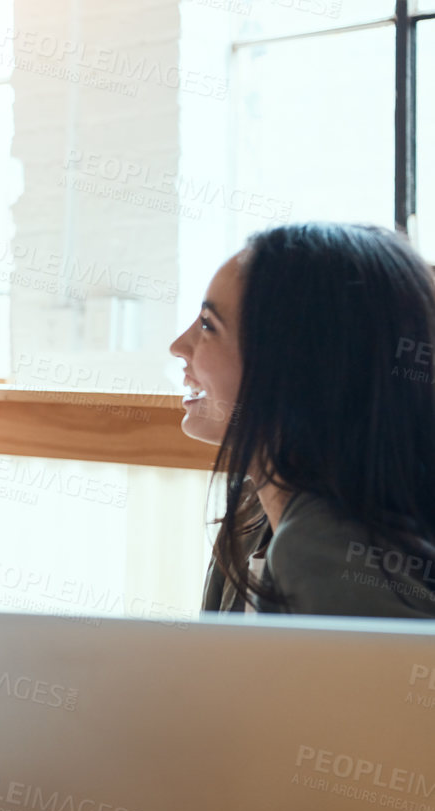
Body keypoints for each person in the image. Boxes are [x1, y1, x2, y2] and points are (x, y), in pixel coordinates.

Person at [170, 221, 435, 617]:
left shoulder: (324, 549)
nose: (179, 347)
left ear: (297, 368)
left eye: (209, 325)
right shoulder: (252, 514)